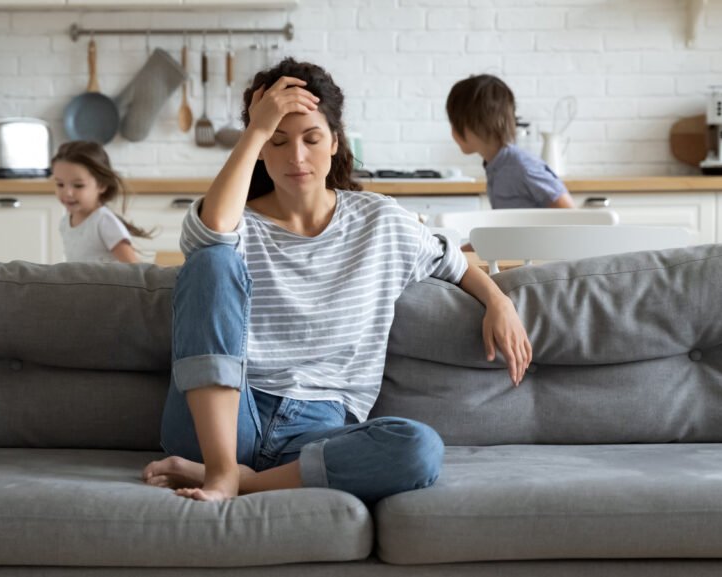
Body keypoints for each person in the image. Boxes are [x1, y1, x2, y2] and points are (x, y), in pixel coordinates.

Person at [142, 59, 532, 503]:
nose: (296, 157)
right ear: (260, 149)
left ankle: (238, 480)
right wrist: (255, 127)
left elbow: (456, 264)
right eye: (277, 140)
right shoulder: (236, 223)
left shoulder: (380, 222)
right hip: (224, 414)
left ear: (334, 143)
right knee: (211, 260)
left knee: (419, 448)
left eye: (311, 139)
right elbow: (211, 233)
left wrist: (499, 301)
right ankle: (220, 467)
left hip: (317, 430)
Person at [446, 74, 575, 209]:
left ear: (475, 124)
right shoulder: (495, 165)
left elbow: (570, 214)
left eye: (454, 123)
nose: (453, 131)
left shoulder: (523, 166)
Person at [51, 141, 152, 264]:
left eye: (78, 185)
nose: (67, 192)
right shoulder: (65, 222)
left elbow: (135, 268)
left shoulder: (104, 222)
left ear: (102, 185)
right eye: (60, 184)